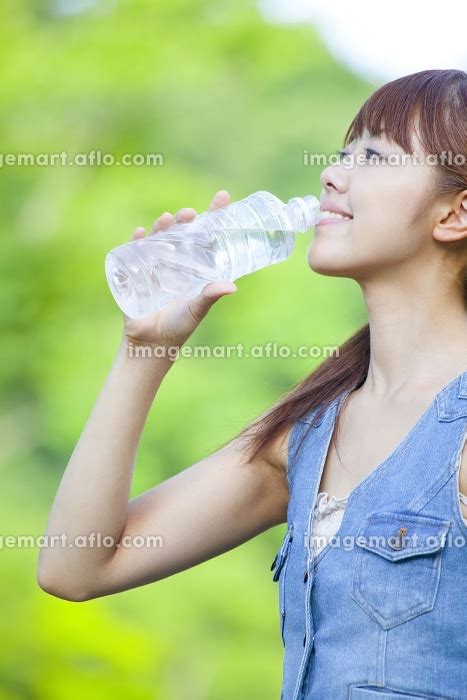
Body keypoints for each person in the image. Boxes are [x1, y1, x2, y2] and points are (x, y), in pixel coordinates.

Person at [37, 68, 467, 699]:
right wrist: (144, 352)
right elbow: (78, 564)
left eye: (374, 155)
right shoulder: (308, 434)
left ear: (456, 213)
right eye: (344, 153)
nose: (333, 174)